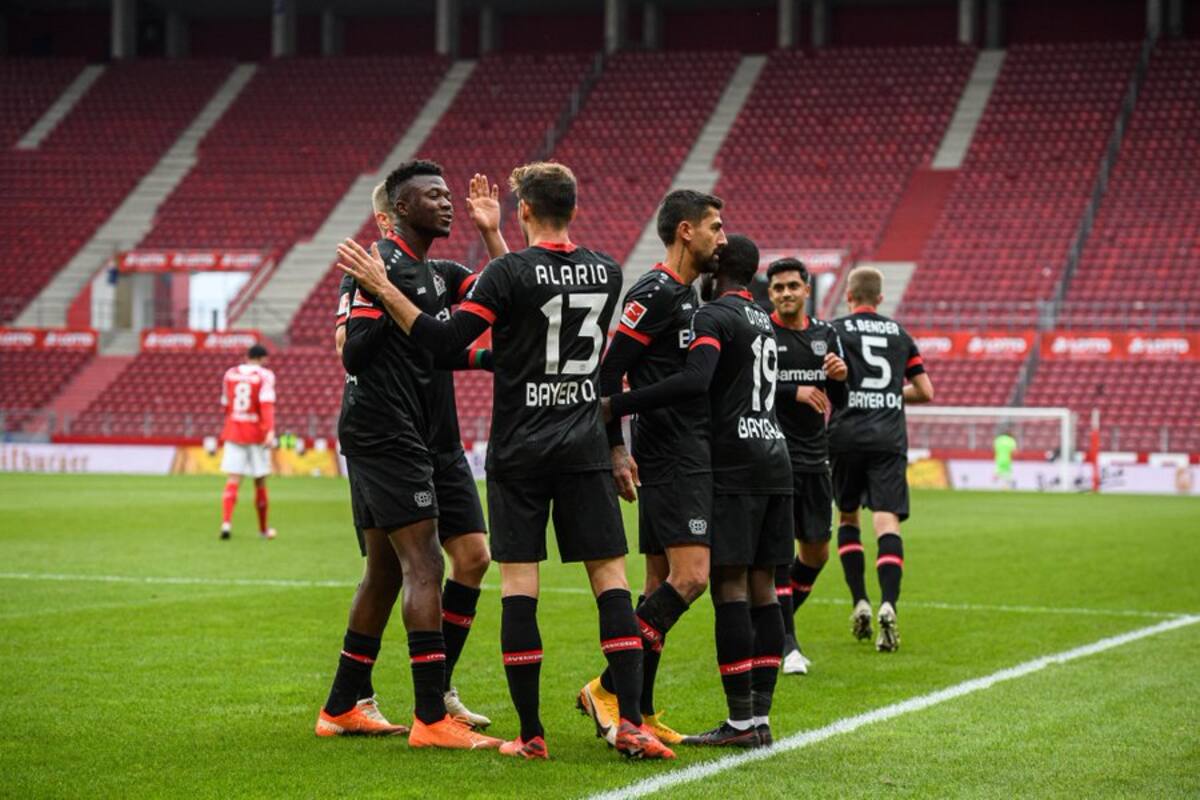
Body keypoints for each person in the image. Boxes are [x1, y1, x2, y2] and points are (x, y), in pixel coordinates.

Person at [336, 161, 674, 761]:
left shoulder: (468, 272)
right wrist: (487, 244)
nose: (447, 202)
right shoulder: (609, 269)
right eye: (434, 195)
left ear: (523, 211)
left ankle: (522, 731)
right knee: (606, 580)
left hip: (512, 446)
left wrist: (391, 291)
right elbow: (523, 293)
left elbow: (481, 316)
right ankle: (624, 721)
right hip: (551, 440)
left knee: (500, 574)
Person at [316, 160, 505, 750]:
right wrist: (378, 293)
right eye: (434, 195)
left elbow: (505, 290)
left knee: (464, 557)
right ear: (399, 209)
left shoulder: (439, 271)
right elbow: (354, 353)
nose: (447, 203)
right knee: (421, 566)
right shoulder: (377, 266)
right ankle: (430, 717)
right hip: (385, 433)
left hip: (434, 436)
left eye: (448, 195)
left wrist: (491, 232)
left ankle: (344, 705)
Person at [601, 234, 792, 748]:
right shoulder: (764, 321)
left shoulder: (712, 315)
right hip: (776, 459)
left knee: (725, 587)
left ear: (717, 270)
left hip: (732, 463)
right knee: (765, 590)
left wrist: (617, 406)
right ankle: (759, 719)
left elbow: (695, 379)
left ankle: (736, 721)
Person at [575, 189, 726, 747]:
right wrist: (616, 448)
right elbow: (607, 374)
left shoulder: (688, 295)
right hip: (671, 454)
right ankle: (606, 688)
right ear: (686, 230)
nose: (722, 237)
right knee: (692, 578)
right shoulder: (655, 291)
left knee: (659, 584)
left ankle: (638, 709)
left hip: (682, 449)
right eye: (714, 226)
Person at [827, 267, 934, 652]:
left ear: (849, 296)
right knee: (886, 521)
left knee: (848, 516)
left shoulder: (834, 330)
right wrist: (889, 393)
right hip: (888, 437)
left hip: (846, 436)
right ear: (880, 298)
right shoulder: (900, 334)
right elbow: (926, 391)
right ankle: (889, 603)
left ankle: (860, 601)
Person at [765, 258, 848, 675]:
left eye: (792, 286)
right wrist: (792, 390)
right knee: (781, 554)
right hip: (775, 454)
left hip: (816, 457)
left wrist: (840, 376)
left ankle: (768, 624)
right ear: (770, 293)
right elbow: (746, 385)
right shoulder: (763, 331)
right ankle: (788, 645)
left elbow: (841, 399)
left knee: (816, 553)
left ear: (806, 290)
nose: (786, 293)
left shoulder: (825, 334)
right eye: (778, 287)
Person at [218, 343, 276, 541]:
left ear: (247, 356)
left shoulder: (230, 373)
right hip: (256, 433)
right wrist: (270, 430)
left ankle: (226, 523)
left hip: (234, 429)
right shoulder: (264, 375)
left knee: (233, 479)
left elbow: (226, 404)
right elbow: (266, 404)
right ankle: (263, 530)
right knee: (259, 481)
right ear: (262, 358)